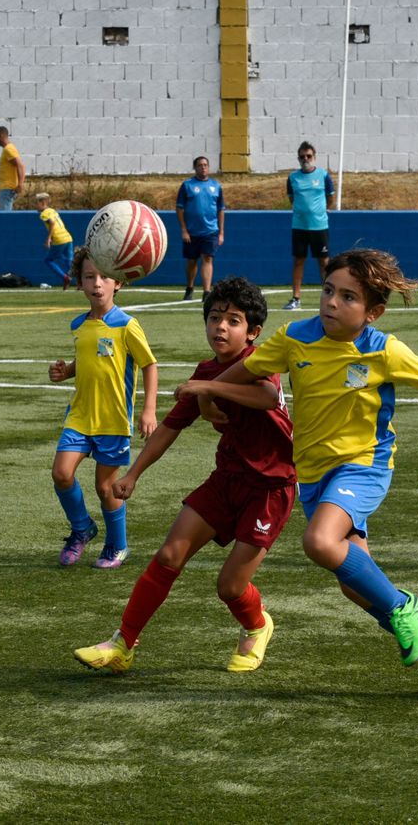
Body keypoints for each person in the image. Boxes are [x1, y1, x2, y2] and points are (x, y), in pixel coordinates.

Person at [182, 249, 418, 703]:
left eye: (348, 297)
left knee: (319, 543)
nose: (331, 301)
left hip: (364, 466)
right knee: (356, 586)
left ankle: (404, 606)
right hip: (313, 476)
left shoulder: (383, 349)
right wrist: (210, 393)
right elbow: (242, 372)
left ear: (373, 312)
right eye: (328, 290)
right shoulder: (294, 338)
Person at [74, 278, 294, 674]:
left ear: (253, 332)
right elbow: (170, 427)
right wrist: (134, 474)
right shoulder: (206, 370)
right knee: (169, 555)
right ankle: (122, 644)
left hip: (270, 489)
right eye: (214, 317)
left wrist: (207, 388)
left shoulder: (259, 362)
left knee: (229, 587)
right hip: (226, 480)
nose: (221, 327)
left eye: (233, 320)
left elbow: (264, 395)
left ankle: (258, 625)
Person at [49, 248, 159, 569]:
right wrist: (65, 371)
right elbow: (87, 362)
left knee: (105, 487)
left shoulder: (126, 325)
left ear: (118, 283)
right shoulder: (79, 325)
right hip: (80, 416)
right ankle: (82, 528)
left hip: (113, 420)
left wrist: (148, 410)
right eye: (89, 277)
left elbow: (149, 365)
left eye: (104, 277)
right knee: (61, 473)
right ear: (80, 283)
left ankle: (118, 546)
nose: (97, 283)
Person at [283, 141, 335, 311]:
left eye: (309, 156)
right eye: (302, 156)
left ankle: (329, 297)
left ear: (314, 157)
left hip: (319, 226)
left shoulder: (323, 175)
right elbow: (292, 199)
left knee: (324, 262)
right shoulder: (293, 178)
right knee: (298, 261)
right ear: (298, 158)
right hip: (299, 226)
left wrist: (320, 211)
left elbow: (330, 198)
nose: (306, 159)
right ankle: (296, 298)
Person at [176, 155, 224, 302]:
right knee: (192, 261)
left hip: (210, 231)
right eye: (200, 165)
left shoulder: (216, 186)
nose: (203, 167)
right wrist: (184, 229)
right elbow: (179, 208)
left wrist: (221, 232)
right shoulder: (187, 185)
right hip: (191, 231)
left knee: (208, 258)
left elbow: (221, 209)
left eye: (205, 165)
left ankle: (207, 291)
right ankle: (190, 287)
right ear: (195, 167)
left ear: (208, 167)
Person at [38, 193, 73, 290]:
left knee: (48, 260)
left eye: (37, 203)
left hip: (59, 239)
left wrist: (48, 238)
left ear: (43, 202)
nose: (35, 206)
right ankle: (81, 282)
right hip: (68, 237)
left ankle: (65, 278)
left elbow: (52, 223)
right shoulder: (52, 211)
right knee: (68, 261)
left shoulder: (44, 214)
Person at [0, 126, 26, 210]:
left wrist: (20, 184)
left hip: (7, 188)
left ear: (1, 135)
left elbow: (21, 165)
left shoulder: (9, 149)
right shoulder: (8, 148)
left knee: (4, 217)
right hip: (6, 188)